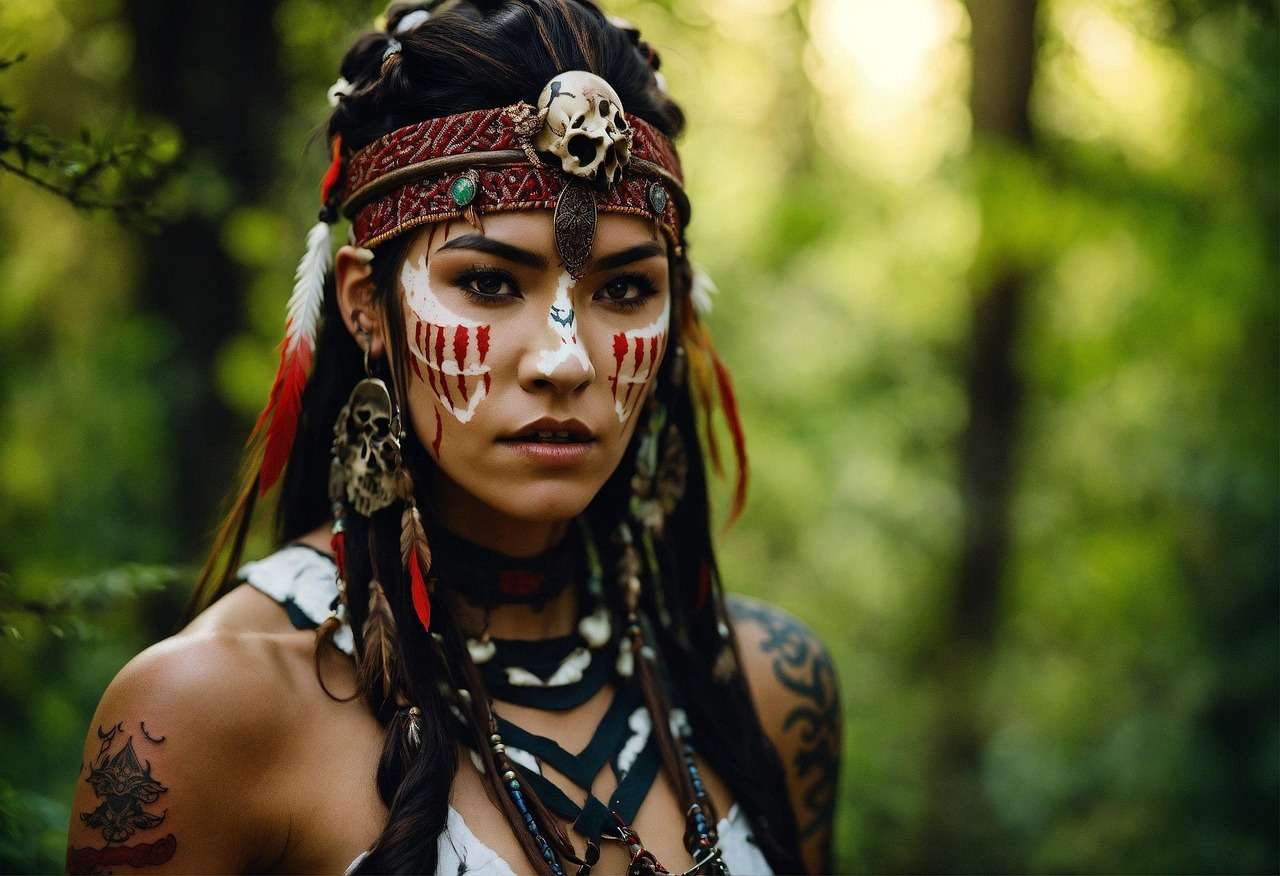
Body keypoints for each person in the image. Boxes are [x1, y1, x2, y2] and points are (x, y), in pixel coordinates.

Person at [64, 2, 842, 873]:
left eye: (625, 290)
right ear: (364, 303)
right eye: (488, 282)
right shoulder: (202, 715)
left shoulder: (769, 689)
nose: (565, 360)